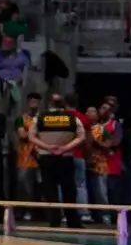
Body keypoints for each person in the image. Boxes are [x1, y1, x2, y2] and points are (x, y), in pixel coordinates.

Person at [28, 94, 90, 227]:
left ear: (49, 104)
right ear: (64, 105)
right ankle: (73, 221)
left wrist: (48, 147)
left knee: (49, 189)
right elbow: (81, 136)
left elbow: (31, 136)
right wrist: (65, 148)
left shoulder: (40, 117)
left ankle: (54, 220)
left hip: (46, 157)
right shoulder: (73, 118)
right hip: (66, 157)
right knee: (69, 189)